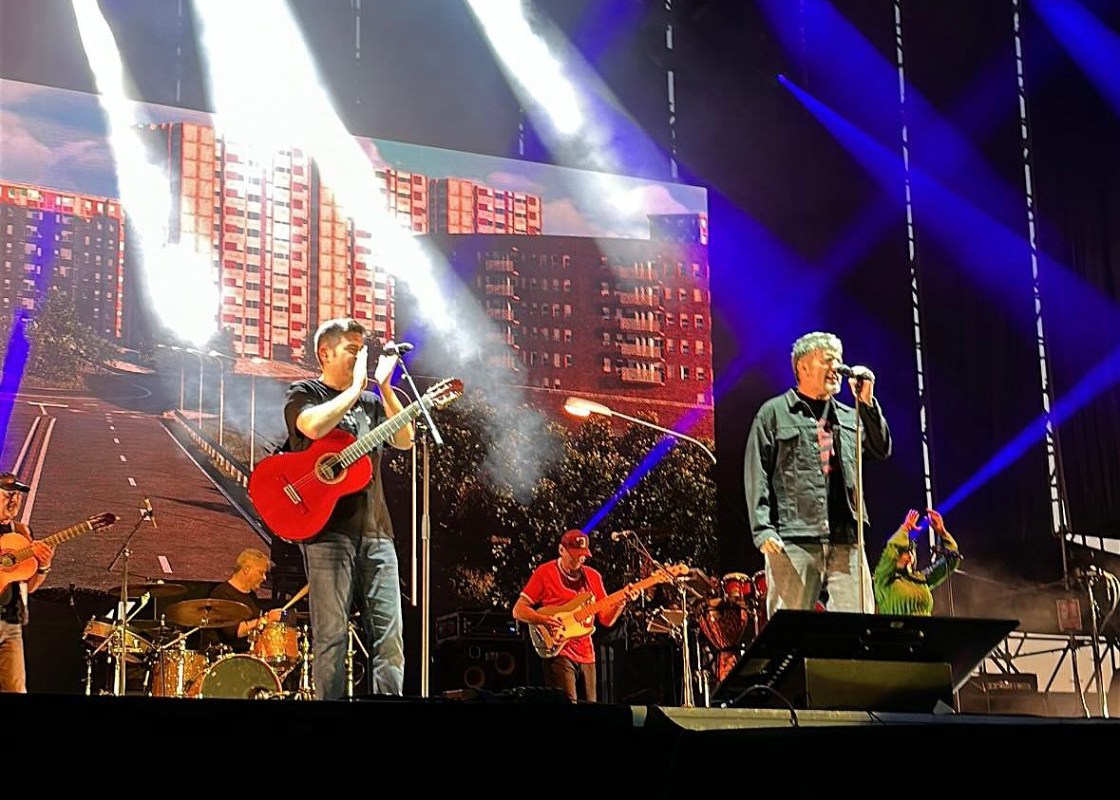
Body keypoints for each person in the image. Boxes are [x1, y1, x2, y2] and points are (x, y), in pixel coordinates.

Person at [284, 317, 413, 700]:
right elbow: (311, 427)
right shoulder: (305, 392)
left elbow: (405, 439)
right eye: (352, 350)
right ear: (325, 353)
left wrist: (384, 388)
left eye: (362, 350)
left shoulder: (372, 403)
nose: (360, 357)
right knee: (332, 636)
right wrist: (356, 387)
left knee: (390, 636)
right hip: (327, 533)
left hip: (378, 532)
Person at [743, 331, 892, 617]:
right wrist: (762, 529)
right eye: (827, 360)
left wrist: (867, 402)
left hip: (847, 541)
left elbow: (880, 448)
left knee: (857, 627)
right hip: (794, 539)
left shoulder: (849, 416)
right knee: (791, 629)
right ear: (802, 366)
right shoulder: (774, 414)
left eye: (839, 360)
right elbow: (756, 472)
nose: (836, 367)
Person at [512, 529, 634, 702]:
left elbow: (606, 620)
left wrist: (622, 602)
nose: (579, 559)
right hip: (559, 650)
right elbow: (518, 610)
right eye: (574, 555)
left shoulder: (593, 577)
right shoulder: (545, 573)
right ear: (561, 550)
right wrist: (544, 620)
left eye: (582, 555)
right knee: (568, 708)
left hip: (587, 654)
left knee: (590, 708)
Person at [0, 472, 54, 693]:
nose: (14, 501)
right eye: (7, 495)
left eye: (18, 495)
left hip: (11, 624)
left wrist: (43, 566)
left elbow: (29, 587)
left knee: (16, 688)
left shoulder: (22, 533)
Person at [874, 508, 960, 616]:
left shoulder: (920, 579)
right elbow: (891, 550)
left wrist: (942, 532)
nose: (909, 556)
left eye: (911, 552)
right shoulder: (883, 578)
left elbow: (950, 561)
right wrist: (905, 528)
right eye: (904, 552)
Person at [199, 548, 284, 656]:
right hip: (225, 657)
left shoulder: (251, 596)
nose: (264, 578)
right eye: (261, 572)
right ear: (246, 569)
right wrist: (266, 619)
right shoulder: (222, 594)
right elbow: (236, 632)